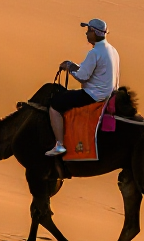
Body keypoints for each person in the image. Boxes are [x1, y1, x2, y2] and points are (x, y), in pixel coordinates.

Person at [45, 18, 118, 156]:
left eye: (88, 31)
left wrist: (69, 68)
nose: (86, 34)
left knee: (55, 104)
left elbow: (83, 77)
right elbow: (91, 71)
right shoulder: (112, 50)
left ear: (94, 32)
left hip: (93, 95)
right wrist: (73, 66)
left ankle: (60, 145)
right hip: (108, 94)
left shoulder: (95, 52)